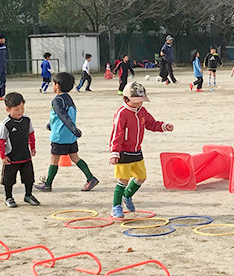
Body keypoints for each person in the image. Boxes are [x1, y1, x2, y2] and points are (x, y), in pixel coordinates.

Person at [109, 81, 173, 218]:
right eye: (136, 101)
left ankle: (127, 195)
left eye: (141, 101)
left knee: (141, 177)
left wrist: (163, 126)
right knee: (123, 180)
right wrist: (114, 152)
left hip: (137, 151)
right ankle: (116, 206)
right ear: (126, 99)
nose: (140, 103)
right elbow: (117, 133)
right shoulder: (122, 113)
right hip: (123, 153)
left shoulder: (142, 111)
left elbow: (151, 123)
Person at [35, 72, 99, 192]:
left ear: (57, 85)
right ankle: (90, 178)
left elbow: (63, 116)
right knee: (75, 157)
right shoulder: (69, 99)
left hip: (60, 136)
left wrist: (73, 129)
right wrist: (51, 125)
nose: (52, 86)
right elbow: (63, 116)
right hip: (70, 137)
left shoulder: (57, 100)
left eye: (53, 84)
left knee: (54, 159)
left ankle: (48, 184)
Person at [0, 92, 39, 208]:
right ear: (8, 110)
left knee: (29, 177)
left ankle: (28, 195)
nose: (20, 111)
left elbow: (31, 134)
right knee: (8, 179)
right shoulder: (5, 124)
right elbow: (1, 140)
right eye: (16, 109)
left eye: (22, 108)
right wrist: (3, 156)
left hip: (25, 155)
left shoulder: (27, 120)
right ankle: (9, 197)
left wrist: (33, 147)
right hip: (11, 157)